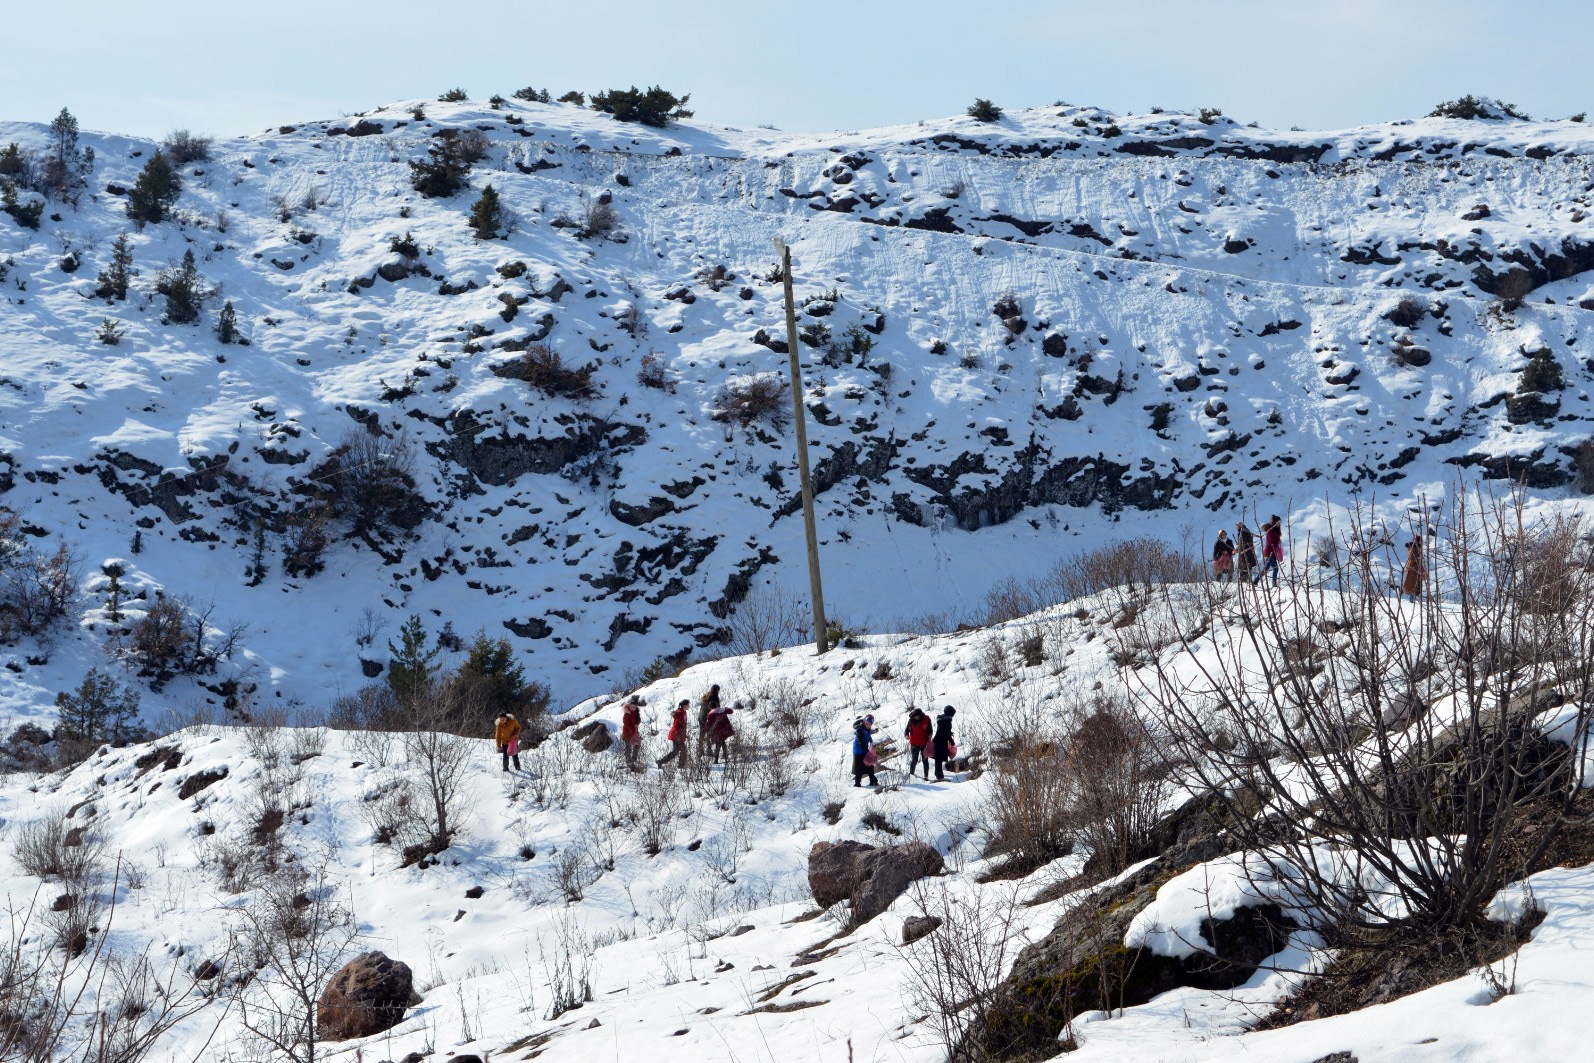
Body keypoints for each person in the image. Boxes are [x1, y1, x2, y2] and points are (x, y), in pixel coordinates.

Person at [657, 699, 691, 768]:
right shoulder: (679, 713)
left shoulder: (684, 712)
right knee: (680, 751)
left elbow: (683, 725)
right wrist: (678, 736)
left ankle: (680, 765)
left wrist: (685, 735)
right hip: (676, 735)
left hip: (679, 735)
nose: (689, 706)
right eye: (688, 705)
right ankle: (680, 766)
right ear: (684, 705)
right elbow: (676, 726)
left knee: (678, 751)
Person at [904, 707, 932, 780]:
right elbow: (907, 730)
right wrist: (906, 735)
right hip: (914, 743)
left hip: (924, 742)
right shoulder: (911, 720)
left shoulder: (926, 719)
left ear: (920, 715)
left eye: (917, 716)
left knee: (925, 759)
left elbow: (930, 729)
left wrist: (930, 734)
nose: (916, 718)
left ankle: (926, 776)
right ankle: (911, 774)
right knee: (914, 759)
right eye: (915, 716)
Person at [1256, 516, 1284, 586]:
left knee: (1265, 569)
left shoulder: (1276, 530)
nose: (1279, 523)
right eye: (1278, 522)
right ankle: (1274, 584)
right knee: (1276, 568)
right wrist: (1278, 541)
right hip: (1270, 552)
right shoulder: (1271, 530)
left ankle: (1255, 581)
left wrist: (1278, 541)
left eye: (1280, 522)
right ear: (1274, 522)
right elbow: (1271, 542)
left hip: (1272, 553)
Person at [851, 714, 878, 788]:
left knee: (869, 765)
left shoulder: (867, 729)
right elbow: (861, 742)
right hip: (858, 751)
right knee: (859, 768)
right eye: (867, 723)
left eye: (869, 724)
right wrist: (867, 751)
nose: (868, 725)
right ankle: (857, 783)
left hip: (864, 749)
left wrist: (870, 739)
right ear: (864, 721)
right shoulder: (859, 729)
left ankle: (873, 780)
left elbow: (867, 736)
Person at [931, 706, 957, 781]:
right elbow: (945, 732)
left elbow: (942, 730)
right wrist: (951, 741)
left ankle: (938, 773)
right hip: (941, 741)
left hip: (938, 740)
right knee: (939, 758)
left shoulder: (942, 718)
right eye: (953, 713)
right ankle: (939, 775)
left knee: (938, 758)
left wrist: (949, 733)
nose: (953, 715)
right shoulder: (947, 720)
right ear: (950, 713)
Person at [696, 684, 722, 756]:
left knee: (702, 734)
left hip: (701, 717)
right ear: (717, 690)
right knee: (708, 734)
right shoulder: (715, 697)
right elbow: (717, 709)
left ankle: (700, 751)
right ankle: (709, 750)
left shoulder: (706, 695)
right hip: (708, 718)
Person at [620, 697, 643, 769]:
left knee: (637, 745)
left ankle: (633, 759)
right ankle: (628, 760)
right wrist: (632, 730)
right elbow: (626, 723)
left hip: (634, 731)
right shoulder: (627, 713)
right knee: (628, 747)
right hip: (627, 732)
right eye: (631, 707)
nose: (633, 708)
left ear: (636, 707)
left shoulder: (636, 713)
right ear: (629, 706)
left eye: (634, 707)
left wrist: (636, 723)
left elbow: (638, 719)